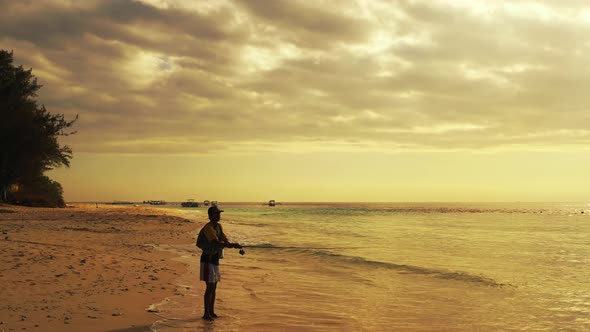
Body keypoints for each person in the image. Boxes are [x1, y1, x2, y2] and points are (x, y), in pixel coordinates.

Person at [198, 205, 242, 320]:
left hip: (215, 259)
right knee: (210, 286)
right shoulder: (208, 228)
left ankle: (211, 311)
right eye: (216, 214)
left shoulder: (218, 226)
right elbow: (216, 242)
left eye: (219, 214)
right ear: (210, 216)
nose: (219, 216)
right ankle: (206, 314)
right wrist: (232, 245)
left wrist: (231, 244)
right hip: (207, 259)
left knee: (214, 287)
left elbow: (223, 238)